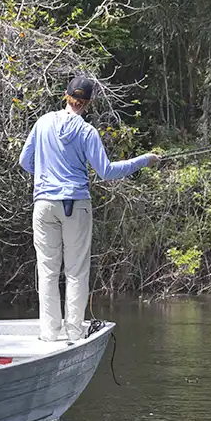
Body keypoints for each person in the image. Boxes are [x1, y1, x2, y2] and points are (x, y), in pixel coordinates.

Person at [18, 77, 160, 343]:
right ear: (88, 102)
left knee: (47, 271)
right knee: (75, 271)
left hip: (44, 204)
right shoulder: (87, 132)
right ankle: (74, 332)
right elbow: (106, 171)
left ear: (66, 95)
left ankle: (49, 333)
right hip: (76, 205)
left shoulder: (43, 123)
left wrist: (47, 176)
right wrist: (143, 160)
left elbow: (24, 161)